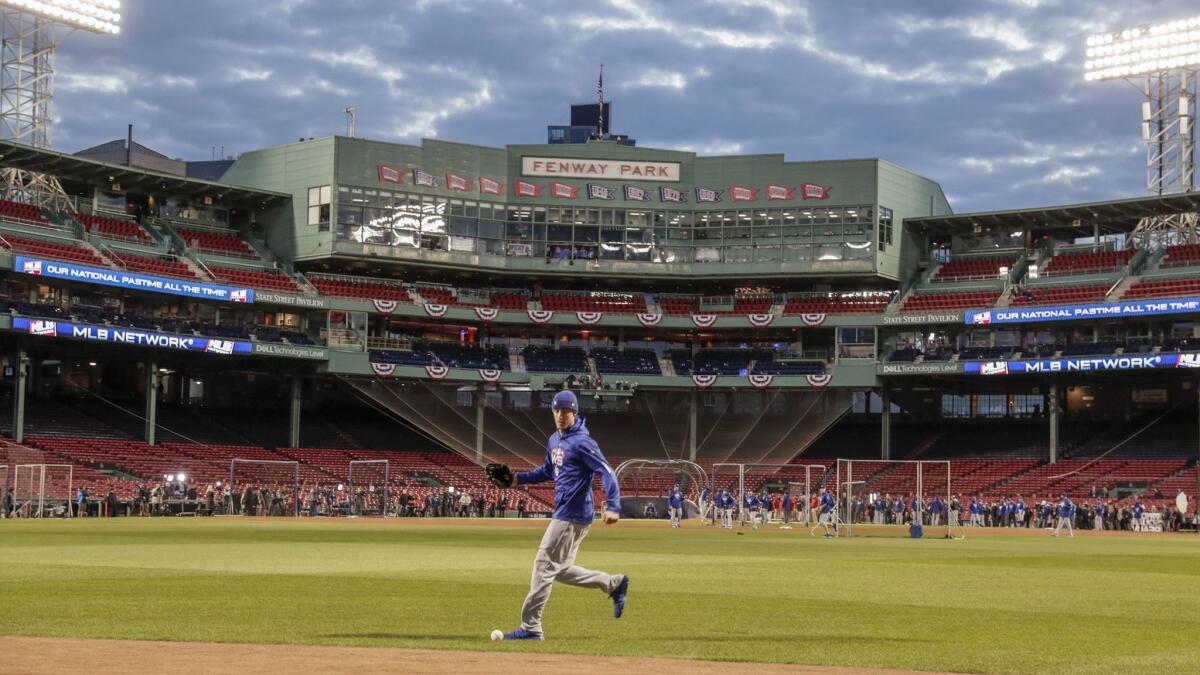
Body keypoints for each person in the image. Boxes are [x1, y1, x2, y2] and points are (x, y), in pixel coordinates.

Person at [488, 390, 628, 642]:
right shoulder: (555, 439)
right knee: (559, 569)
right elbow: (547, 471)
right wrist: (517, 479)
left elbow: (607, 471)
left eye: (566, 411)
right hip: (568, 514)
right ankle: (613, 583)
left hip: (571, 514)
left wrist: (613, 506)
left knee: (543, 565)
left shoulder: (583, 442)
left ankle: (531, 627)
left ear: (575, 413)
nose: (560, 415)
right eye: (556, 411)